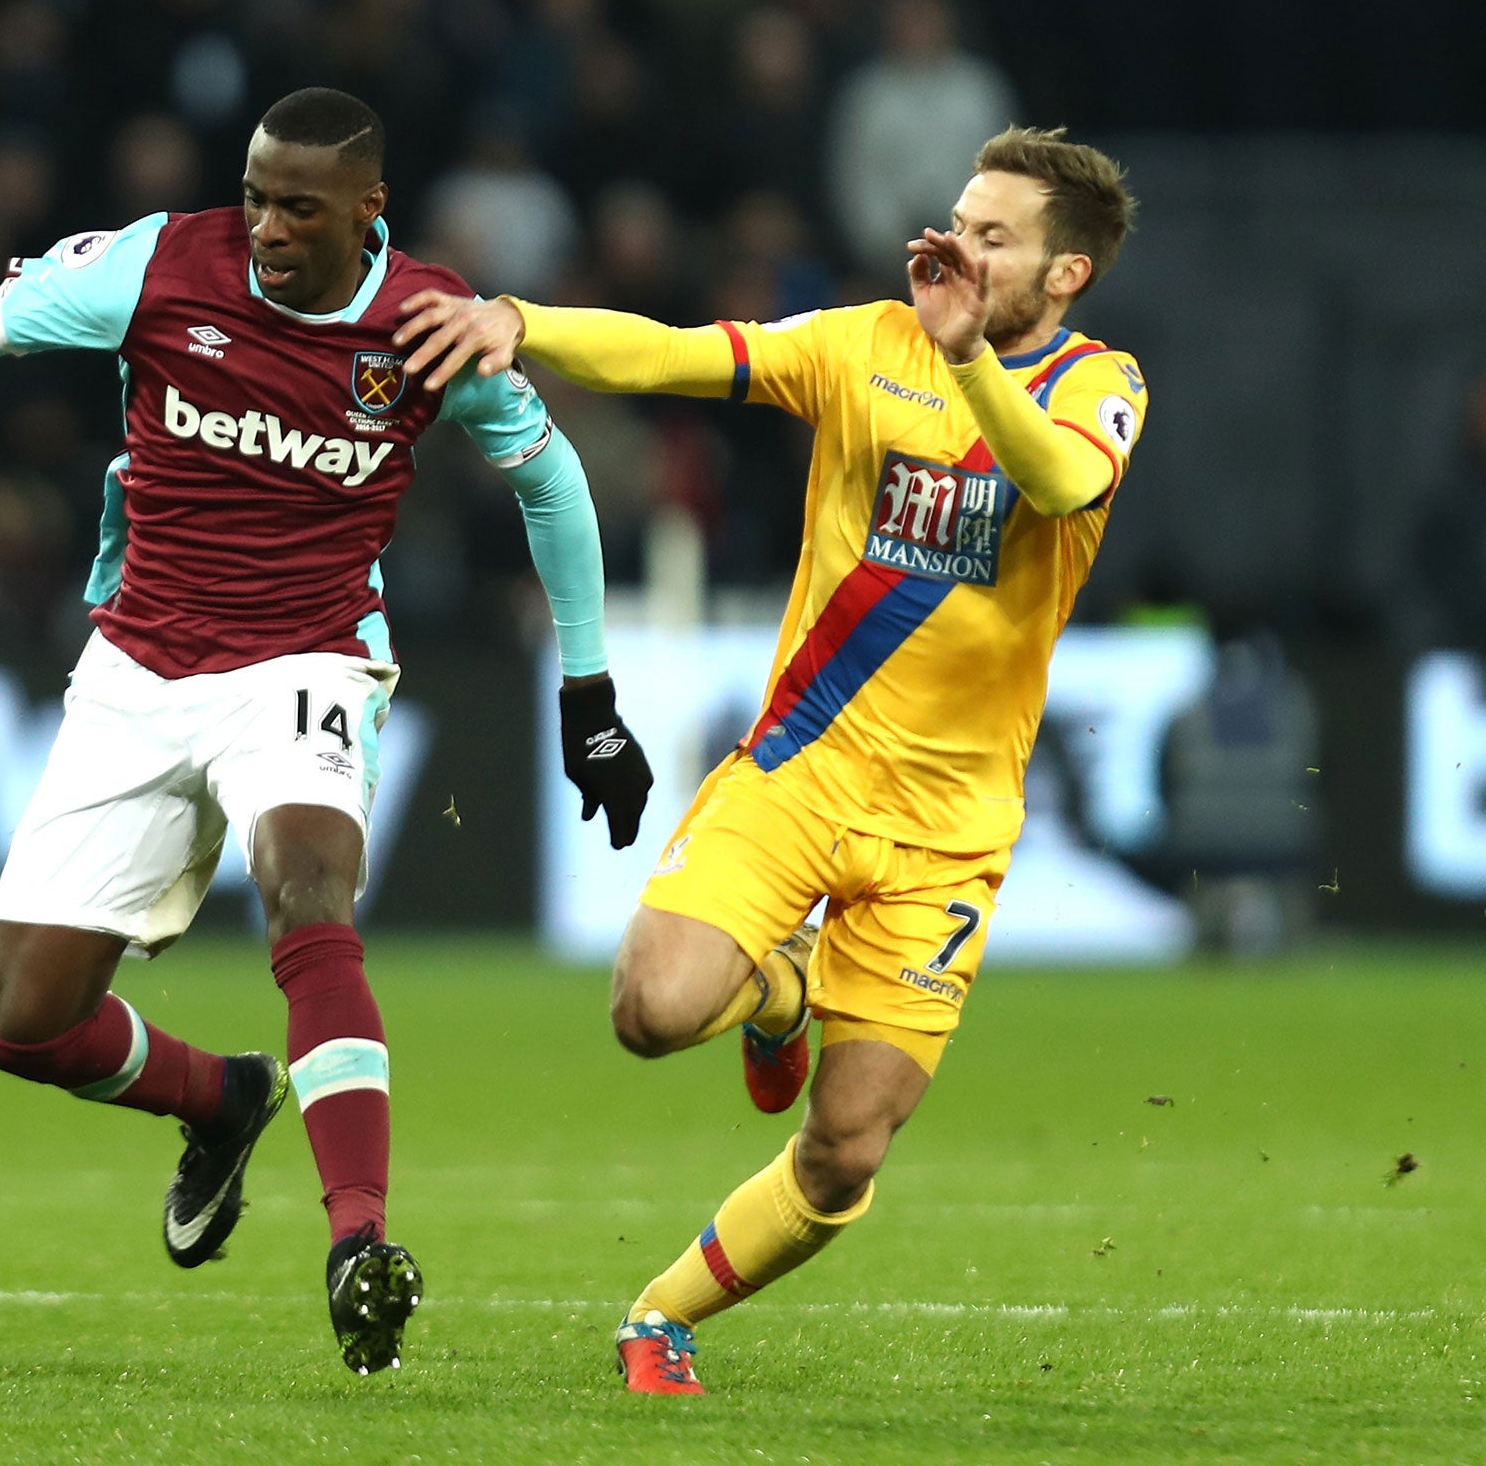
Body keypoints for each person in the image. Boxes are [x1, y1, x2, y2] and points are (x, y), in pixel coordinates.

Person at [0, 87, 654, 1375]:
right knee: (21, 1022)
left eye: (299, 207)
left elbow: (551, 480)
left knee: (308, 888)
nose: (266, 224)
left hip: (308, 658)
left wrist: (588, 695)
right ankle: (222, 1099)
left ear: (368, 210)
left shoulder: (425, 326)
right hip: (138, 667)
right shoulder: (160, 265)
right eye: (257, 194)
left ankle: (359, 1243)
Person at [396, 125, 1145, 1394]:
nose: (957, 247)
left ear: (1063, 274)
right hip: (802, 762)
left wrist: (967, 366)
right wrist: (519, 319)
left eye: (994, 234)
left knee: (846, 1149)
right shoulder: (864, 343)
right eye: (957, 219)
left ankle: (659, 1317)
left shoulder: (1097, 384)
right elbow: (680, 356)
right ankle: (783, 996)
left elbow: (1062, 485)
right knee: (651, 1012)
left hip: (950, 827)